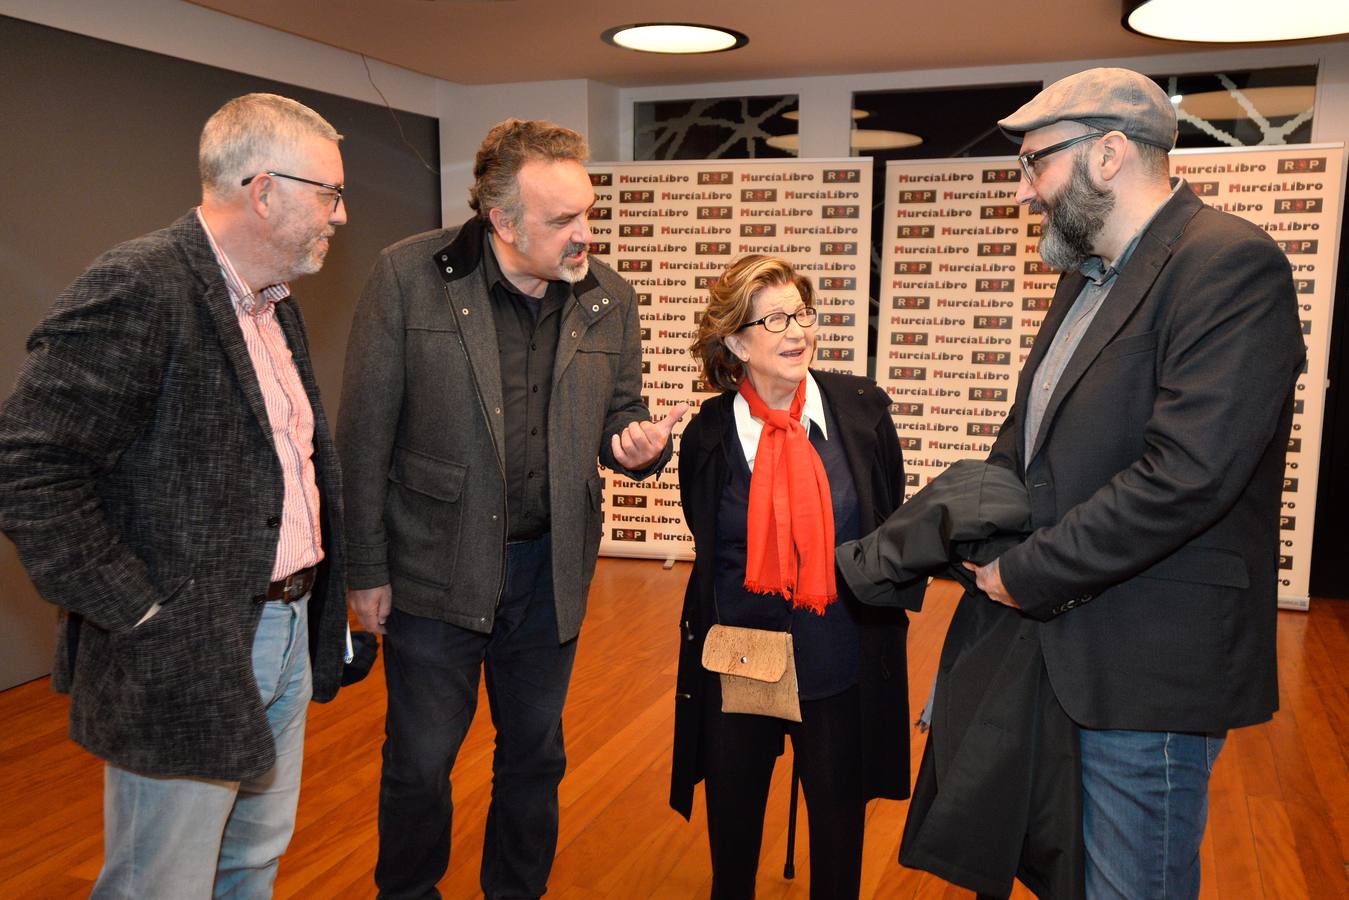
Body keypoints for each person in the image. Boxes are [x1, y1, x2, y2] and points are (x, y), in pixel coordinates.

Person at [962, 67, 1305, 899]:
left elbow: (1184, 476)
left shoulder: (1229, 264)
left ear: (1107, 154)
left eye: (1034, 162)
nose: (1024, 193)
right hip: (1063, 647)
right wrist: (959, 527)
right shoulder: (1082, 276)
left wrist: (1024, 573)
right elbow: (1030, 443)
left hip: (1150, 661)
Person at [0, 93, 350, 897]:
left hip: (284, 628)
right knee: (161, 883)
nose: (340, 215)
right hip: (185, 648)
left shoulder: (273, 304)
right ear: (262, 190)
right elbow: (28, 465)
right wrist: (141, 612)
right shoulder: (141, 284)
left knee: (251, 864)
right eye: (329, 193)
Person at [339, 118, 687, 900]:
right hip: (432, 568)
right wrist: (363, 570)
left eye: (588, 213)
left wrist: (637, 448)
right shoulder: (408, 277)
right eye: (562, 219)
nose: (584, 234)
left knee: (534, 756)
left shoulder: (609, 298)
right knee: (421, 761)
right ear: (501, 221)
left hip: (547, 570)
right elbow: (362, 437)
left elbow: (618, 417)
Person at [671, 255, 914, 899]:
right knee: (734, 835)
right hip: (742, 658)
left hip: (836, 658)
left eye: (802, 313)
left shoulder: (860, 413)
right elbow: (709, 540)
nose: (797, 331)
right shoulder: (708, 437)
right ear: (735, 341)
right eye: (774, 318)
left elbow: (884, 523)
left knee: (838, 843)